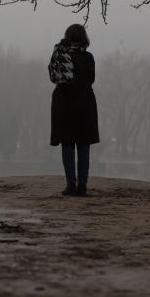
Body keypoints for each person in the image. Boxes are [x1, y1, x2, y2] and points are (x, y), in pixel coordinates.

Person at [49, 23, 98, 196]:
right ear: (84, 38)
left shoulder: (59, 55)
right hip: (85, 104)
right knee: (84, 146)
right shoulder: (88, 57)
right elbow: (91, 79)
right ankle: (82, 185)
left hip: (64, 104)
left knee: (68, 145)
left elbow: (53, 77)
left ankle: (70, 184)